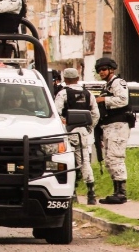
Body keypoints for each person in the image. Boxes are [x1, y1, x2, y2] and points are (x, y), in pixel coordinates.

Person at [54, 67, 101, 205]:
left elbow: (56, 112)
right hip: (83, 133)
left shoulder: (63, 93)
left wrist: (63, 124)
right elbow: (96, 114)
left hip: (68, 132)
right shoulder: (88, 94)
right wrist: (88, 127)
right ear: (77, 78)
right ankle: (91, 194)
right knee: (85, 162)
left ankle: (72, 194)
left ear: (65, 79)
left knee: (68, 162)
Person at [94, 57, 130, 204]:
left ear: (111, 69)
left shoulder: (117, 83)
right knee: (109, 159)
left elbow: (123, 100)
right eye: (99, 70)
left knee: (116, 157)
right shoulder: (107, 85)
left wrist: (104, 100)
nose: (101, 72)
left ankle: (121, 192)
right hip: (109, 126)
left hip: (118, 125)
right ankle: (116, 190)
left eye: (103, 69)